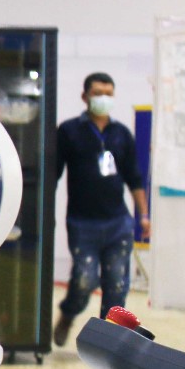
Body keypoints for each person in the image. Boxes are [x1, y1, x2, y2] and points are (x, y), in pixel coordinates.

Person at [52, 72, 149, 347]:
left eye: (108, 93)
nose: (103, 98)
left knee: (117, 284)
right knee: (84, 279)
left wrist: (143, 215)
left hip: (118, 222)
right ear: (85, 97)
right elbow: (53, 174)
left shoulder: (121, 134)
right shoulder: (69, 131)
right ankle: (68, 313)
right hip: (82, 223)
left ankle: (107, 342)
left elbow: (134, 178)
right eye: (97, 93)